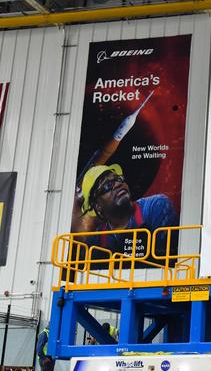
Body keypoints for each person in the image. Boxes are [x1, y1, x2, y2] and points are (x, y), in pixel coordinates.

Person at [71, 103, 179, 260]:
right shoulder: (95, 241)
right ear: (97, 206)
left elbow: (166, 257)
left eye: (118, 179)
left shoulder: (156, 206)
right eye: (108, 185)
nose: (117, 184)